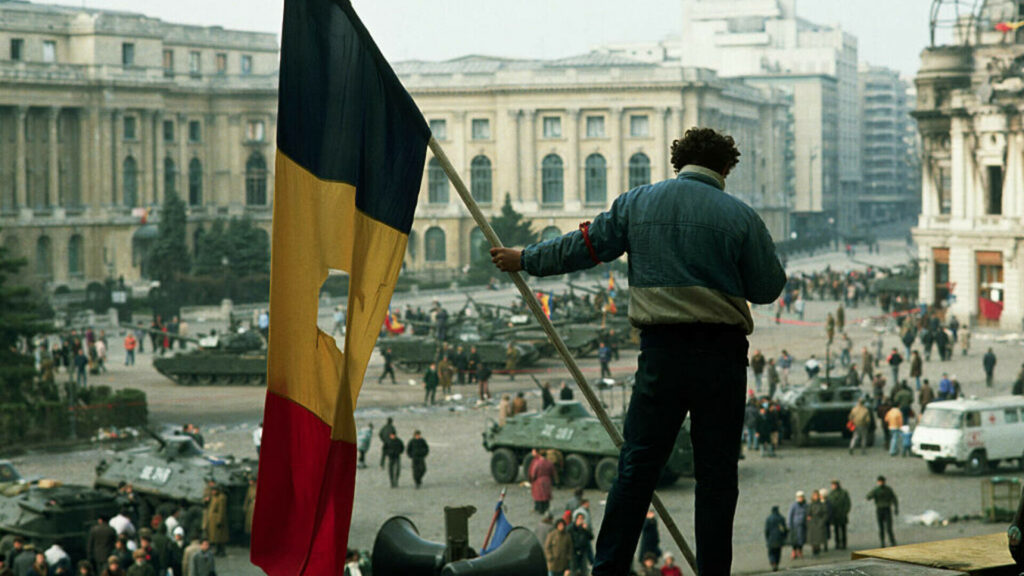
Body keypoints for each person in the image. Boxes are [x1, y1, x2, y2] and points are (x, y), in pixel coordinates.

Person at [490, 128, 786, 576]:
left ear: (676, 163)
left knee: (636, 468)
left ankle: (608, 568)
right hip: (722, 358)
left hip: (661, 355)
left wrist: (524, 259)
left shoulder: (636, 203)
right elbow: (768, 287)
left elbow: (582, 248)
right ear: (726, 168)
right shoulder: (741, 217)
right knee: (717, 477)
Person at [866, 476, 899, 548]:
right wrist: (872, 494)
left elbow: (894, 499)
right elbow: (868, 497)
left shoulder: (888, 489)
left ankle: (892, 541)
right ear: (878, 482)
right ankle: (882, 542)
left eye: (882, 481)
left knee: (889, 527)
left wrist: (896, 508)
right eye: (880, 481)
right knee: (881, 528)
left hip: (887, 509)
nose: (881, 482)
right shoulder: (876, 490)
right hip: (880, 510)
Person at [204, 485, 229, 557]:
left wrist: (219, 521)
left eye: (214, 490)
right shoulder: (213, 497)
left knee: (220, 537)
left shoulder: (221, 497)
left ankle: (222, 551)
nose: (213, 492)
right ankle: (217, 550)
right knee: (215, 537)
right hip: (212, 520)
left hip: (217, 519)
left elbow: (222, 510)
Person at [827, 480, 851, 550]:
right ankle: (837, 543)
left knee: (843, 530)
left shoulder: (844, 493)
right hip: (835, 515)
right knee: (836, 530)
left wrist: (845, 511)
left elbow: (848, 503)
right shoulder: (830, 494)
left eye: (834, 485)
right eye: (832, 485)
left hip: (842, 514)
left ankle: (844, 544)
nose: (833, 486)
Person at [529, 449, 554, 514]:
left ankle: (540, 509)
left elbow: (533, 473)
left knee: (539, 495)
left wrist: (532, 480)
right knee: (546, 495)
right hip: (547, 480)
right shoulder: (549, 462)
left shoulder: (537, 463)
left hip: (538, 481)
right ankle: (546, 508)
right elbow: (552, 472)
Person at [764, 505, 787, 572]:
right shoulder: (781, 518)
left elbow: (766, 530)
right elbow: (784, 529)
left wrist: (767, 538)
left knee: (771, 553)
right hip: (779, 539)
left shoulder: (768, 519)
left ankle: (773, 563)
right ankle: (776, 564)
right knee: (778, 552)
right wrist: (784, 537)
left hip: (771, 539)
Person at [806, 490, 828, 556]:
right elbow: (808, 513)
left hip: (819, 522)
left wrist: (822, 521)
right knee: (812, 539)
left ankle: (818, 550)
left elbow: (825, 514)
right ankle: (814, 551)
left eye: (816, 496)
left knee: (818, 539)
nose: (815, 497)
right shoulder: (811, 504)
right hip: (812, 523)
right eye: (814, 496)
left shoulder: (822, 504)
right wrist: (808, 518)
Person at [787, 491, 807, 560]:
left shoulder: (805, 505)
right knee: (794, 540)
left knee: (801, 539)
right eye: (799, 497)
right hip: (795, 525)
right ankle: (794, 552)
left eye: (801, 497)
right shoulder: (794, 505)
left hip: (802, 526)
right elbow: (790, 515)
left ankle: (800, 551)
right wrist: (789, 525)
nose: (801, 498)